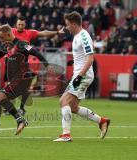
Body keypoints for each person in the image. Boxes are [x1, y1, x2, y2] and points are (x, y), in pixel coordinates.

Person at [0, 16, 63, 115]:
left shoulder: (24, 40)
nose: (20, 26)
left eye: (22, 24)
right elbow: (0, 51)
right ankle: (12, 111)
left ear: (25, 25)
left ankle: (19, 110)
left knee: (17, 90)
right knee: (9, 90)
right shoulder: (8, 37)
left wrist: (46, 64)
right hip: (10, 66)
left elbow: (36, 49)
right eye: (19, 24)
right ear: (15, 25)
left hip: (22, 68)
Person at [0, 24, 51, 135]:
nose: (1, 40)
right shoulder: (7, 46)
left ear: (8, 34)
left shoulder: (21, 44)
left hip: (22, 78)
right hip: (15, 79)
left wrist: (46, 64)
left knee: (1, 97)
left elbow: (35, 52)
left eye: (2, 37)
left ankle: (20, 120)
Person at [53, 11, 110, 142]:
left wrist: (79, 77)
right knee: (72, 107)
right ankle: (102, 121)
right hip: (80, 73)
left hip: (82, 75)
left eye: (67, 25)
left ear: (73, 24)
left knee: (63, 101)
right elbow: (83, 56)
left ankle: (66, 135)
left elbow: (90, 58)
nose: (66, 27)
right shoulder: (78, 36)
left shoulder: (84, 36)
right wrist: (74, 61)